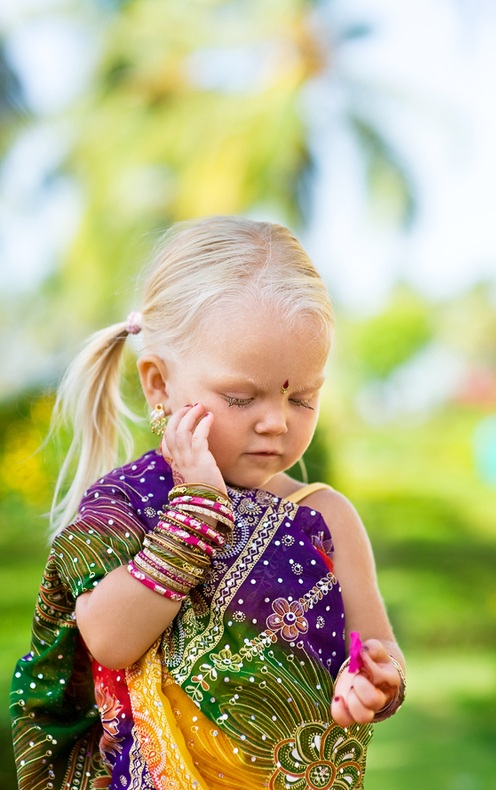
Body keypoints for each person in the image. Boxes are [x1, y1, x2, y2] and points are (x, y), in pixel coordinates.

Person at [11, 216, 405, 790]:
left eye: (303, 398)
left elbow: (375, 645)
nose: (276, 422)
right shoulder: (128, 504)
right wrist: (194, 514)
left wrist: (380, 681)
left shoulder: (327, 517)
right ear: (159, 385)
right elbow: (111, 642)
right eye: (241, 398)